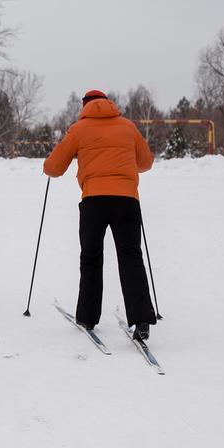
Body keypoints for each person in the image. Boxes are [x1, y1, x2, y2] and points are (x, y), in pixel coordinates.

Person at [43, 90, 158, 340]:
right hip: (127, 200)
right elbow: (146, 162)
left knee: (91, 258)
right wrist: (124, 163)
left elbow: (53, 167)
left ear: (84, 107)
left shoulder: (79, 129)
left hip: (94, 200)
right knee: (131, 258)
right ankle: (141, 320)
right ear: (109, 104)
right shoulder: (128, 127)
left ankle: (87, 316)